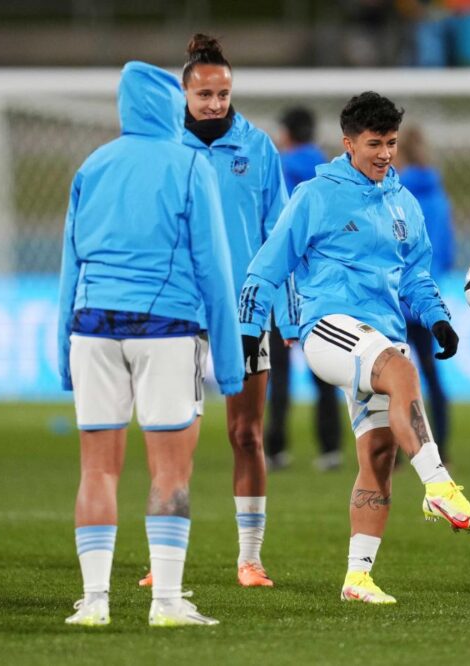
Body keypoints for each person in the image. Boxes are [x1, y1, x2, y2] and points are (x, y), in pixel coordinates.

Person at [239, 91, 470, 604]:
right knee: (402, 372)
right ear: (349, 143)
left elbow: (416, 274)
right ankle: (440, 486)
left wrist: (439, 320)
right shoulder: (315, 195)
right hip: (330, 325)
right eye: (374, 143)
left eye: (392, 143)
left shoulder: (403, 202)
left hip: (381, 334)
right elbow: (268, 264)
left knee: (377, 454)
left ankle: (358, 578)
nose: (384, 154)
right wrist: (249, 328)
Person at [57, 61, 242, 627]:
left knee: (97, 470)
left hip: (91, 328)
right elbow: (215, 269)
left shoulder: (92, 165)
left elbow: (70, 264)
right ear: (171, 105)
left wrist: (62, 359)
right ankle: (165, 602)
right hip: (166, 331)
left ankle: (94, 602)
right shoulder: (189, 164)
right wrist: (230, 367)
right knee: (170, 471)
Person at [138, 34, 296, 590]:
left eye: (223, 94)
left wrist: (290, 317)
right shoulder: (162, 147)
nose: (215, 104)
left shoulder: (257, 150)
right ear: (185, 92)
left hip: (247, 318)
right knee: (174, 436)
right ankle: (164, 559)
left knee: (246, 435)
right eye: (205, 94)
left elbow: (283, 237)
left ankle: (249, 559)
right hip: (180, 315)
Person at [264, 106, 345, 473]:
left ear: (286, 132)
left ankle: (275, 448)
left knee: (277, 370)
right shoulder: (332, 173)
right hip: (320, 284)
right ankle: (331, 449)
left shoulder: (276, 169)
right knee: (325, 369)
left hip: (283, 282)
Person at [393, 125, 454, 456]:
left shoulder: (397, 195)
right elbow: (446, 250)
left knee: (392, 379)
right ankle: (440, 446)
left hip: (397, 298)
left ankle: (400, 450)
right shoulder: (438, 195)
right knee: (431, 375)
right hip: (428, 297)